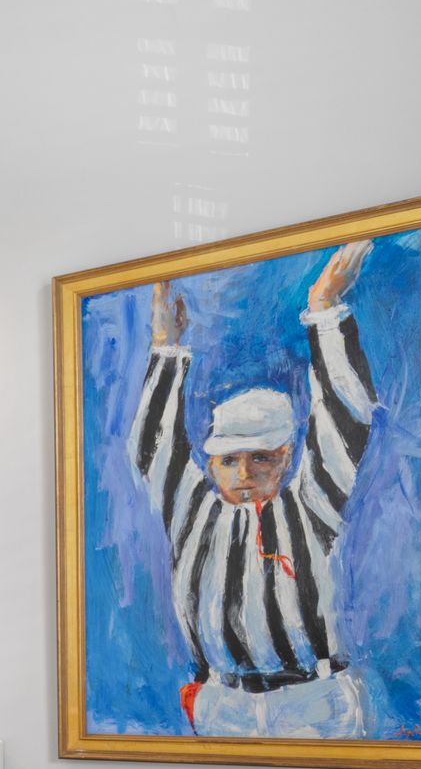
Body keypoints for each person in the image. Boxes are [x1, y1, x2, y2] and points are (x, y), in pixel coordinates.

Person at [129, 240, 380, 737]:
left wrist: (324, 312)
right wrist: (166, 346)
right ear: (211, 461)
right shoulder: (192, 510)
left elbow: (345, 418)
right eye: (228, 461)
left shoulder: (312, 504)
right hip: (223, 703)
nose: (243, 475)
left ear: (286, 458)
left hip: (315, 701)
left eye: (260, 459)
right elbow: (154, 446)